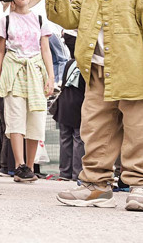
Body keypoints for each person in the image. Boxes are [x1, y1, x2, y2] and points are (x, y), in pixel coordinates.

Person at [42, 0, 143, 212]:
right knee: (95, 131)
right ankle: (96, 186)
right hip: (96, 78)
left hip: (136, 78)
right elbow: (66, 18)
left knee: (140, 133)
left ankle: (142, 186)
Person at [0, 0, 54, 182]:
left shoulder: (40, 19)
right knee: (15, 116)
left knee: (36, 118)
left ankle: (29, 166)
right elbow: (0, 50)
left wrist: (50, 77)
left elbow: (45, 49)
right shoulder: (6, 20)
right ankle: (20, 166)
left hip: (35, 70)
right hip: (14, 69)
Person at [51, 30, 85, 181]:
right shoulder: (84, 64)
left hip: (64, 104)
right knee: (78, 138)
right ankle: (77, 173)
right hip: (78, 104)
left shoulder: (69, 63)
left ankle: (64, 172)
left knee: (65, 138)